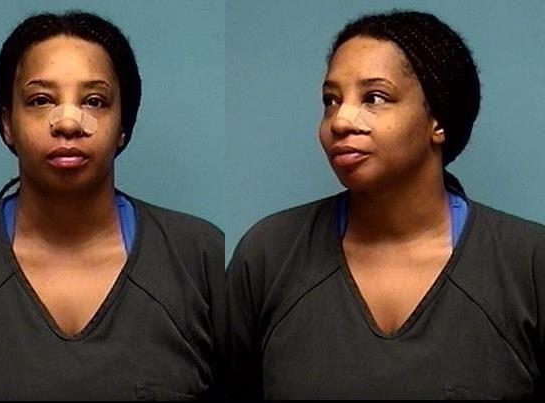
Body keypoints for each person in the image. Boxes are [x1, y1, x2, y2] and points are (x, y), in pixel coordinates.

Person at [226, 9, 545, 400]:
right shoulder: (270, 255)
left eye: (374, 98)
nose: (340, 121)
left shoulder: (529, 264)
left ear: (438, 121)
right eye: (331, 100)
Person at [0, 11, 224, 400]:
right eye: (41, 100)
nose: (68, 123)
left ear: (123, 126)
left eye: (94, 101)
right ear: (7, 124)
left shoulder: (201, 257)